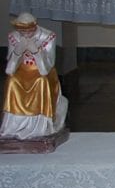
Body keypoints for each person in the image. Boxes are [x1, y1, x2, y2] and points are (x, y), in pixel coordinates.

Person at [2, 12, 68, 140]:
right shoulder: (14, 37)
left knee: (41, 81)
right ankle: (15, 124)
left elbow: (46, 68)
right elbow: (10, 69)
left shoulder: (48, 36)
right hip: (22, 70)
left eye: (29, 31)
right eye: (22, 32)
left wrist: (36, 51)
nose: (26, 35)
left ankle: (40, 124)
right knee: (12, 81)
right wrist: (18, 51)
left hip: (42, 70)